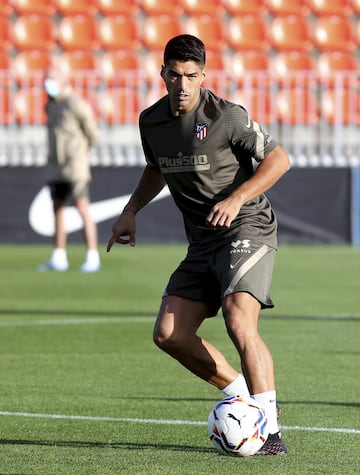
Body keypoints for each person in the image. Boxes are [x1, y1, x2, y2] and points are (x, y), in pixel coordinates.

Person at [107, 35, 290, 455]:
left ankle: (270, 432)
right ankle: (242, 398)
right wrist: (131, 209)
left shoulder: (227, 117)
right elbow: (157, 168)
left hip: (247, 225)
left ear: (204, 75)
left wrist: (236, 197)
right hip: (204, 240)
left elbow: (280, 159)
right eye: (175, 75)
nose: (183, 84)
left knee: (239, 321)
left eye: (192, 75)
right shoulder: (150, 121)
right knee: (169, 334)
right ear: (163, 74)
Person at [38, 63, 100, 273]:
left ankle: (92, 256)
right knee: (58, 209)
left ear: (63, 80)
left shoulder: (75, 103)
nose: (47, 83)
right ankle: (59, 256)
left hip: (75, 167)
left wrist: (82, 153)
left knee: (83, 208)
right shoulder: (50, 105)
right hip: (56, 167)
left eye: (51, 78)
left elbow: (92, 132)